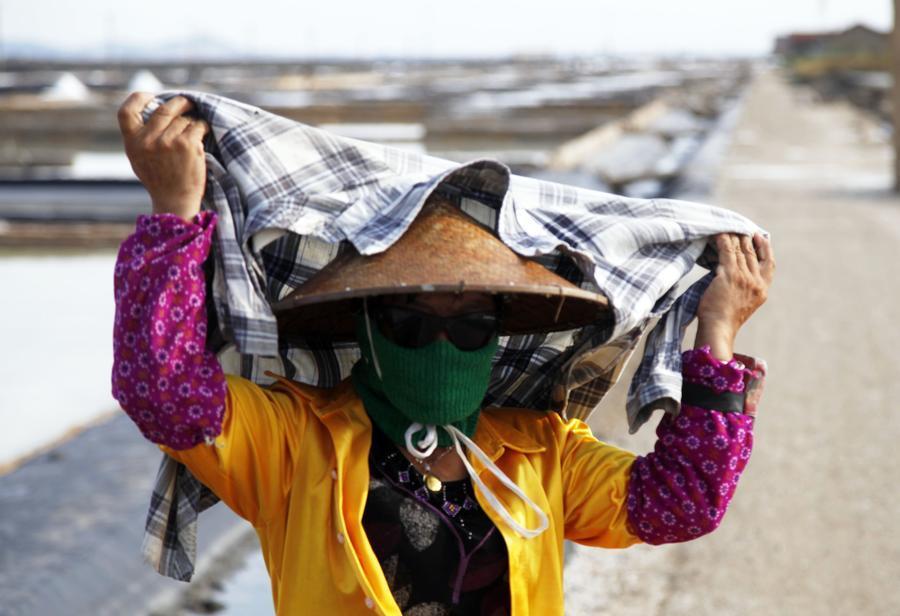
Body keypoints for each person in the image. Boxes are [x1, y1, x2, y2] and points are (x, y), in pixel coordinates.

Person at [113, 93, 775, 615]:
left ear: (497, 335)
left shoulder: (542, 455)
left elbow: (681, 503)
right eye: (409, 319)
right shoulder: (295, 444)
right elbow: (165, 396)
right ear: (366, 326)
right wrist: (175, 212)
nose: (440, 344)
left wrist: (716, 339)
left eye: (469, 325)